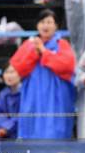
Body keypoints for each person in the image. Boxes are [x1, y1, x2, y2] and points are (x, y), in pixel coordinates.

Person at [10, 9, 76, 139]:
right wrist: (35, 53)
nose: (45, 26)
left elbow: (67, 65)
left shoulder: (62, 44)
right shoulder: (28, 45)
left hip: (56, 98)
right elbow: (18, 68)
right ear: (37, 25)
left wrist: (44, 52)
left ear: (56, 26)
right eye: (42, 22)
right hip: (33, 97)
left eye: (49, 22)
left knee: (56, 134)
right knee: (32, 133)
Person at [0, 63, 21, 139]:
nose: (9, 76)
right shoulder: (3, 94)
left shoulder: (27, 94)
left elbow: (24, 116)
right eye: (6, 72)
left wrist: (6, 128)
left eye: (12, 72)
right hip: (4, 135)